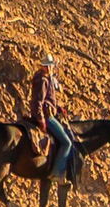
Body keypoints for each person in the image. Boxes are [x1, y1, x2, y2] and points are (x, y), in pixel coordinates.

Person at [28, 50, 78, 189]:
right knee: (67, 142)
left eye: (51, 65)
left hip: (49, 112)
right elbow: (38, 101)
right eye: (48, 65)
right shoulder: (43, 80)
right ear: (44, 66)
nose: (50, 68)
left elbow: (47, 100)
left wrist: (58, 107)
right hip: (47, 116)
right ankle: (57, 172)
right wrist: (41, 119)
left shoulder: (43, 77)